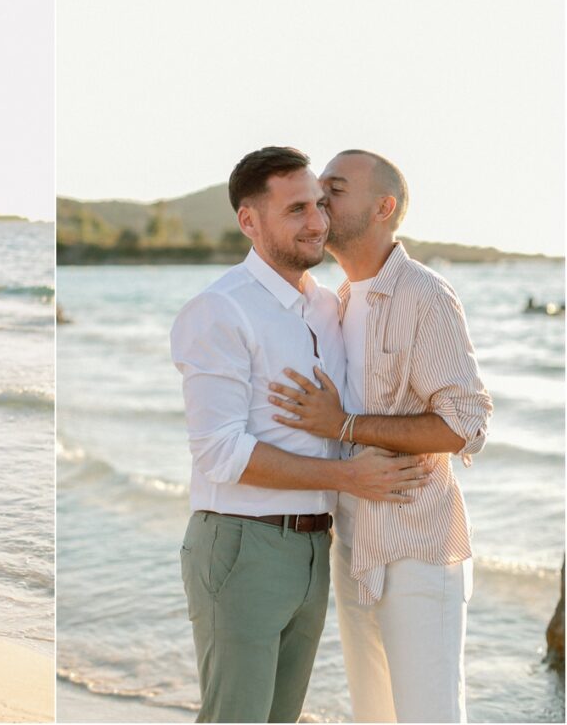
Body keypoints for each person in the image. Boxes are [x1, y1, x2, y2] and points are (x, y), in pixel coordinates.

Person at [169, 147, 430, 722]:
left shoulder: (325, 308)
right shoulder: (220, 311)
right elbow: (220, 452)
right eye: (295, 210)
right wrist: (348, 476)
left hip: (315, 546)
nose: (316, 221)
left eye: (318, 204)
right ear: (249, 221)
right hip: (241, 543)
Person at [268, 150, 492, 722]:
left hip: (417, 548)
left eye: (335, 190)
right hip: (356, 548)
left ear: (382, 208)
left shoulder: (425, 295)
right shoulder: (340, 301)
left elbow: (467, 422)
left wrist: (343, 424)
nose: (320, 200)